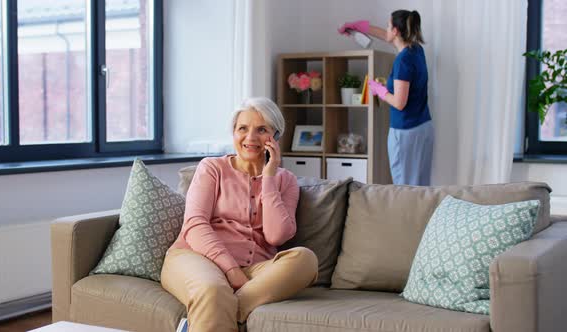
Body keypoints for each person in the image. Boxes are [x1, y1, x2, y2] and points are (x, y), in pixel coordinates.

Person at [161, 97, 318, 332]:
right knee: (213, 290)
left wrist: (269, 177)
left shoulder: (285, 180)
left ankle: (202, 319)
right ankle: (212, 310)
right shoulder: (212, 168)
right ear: (233, 132)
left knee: (305, 260)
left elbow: (277, 236)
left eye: (262, 129)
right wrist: (231, 271)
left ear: (275, 137)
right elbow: (195, 224)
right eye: (242, 128)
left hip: (256, 269)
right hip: (197, 258)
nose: (250, 138)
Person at [339, 10, 434, 186]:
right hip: (423, 127)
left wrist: (379, 90)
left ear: (396, 31)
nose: (386, 29)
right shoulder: (416, 50)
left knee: (404, 187)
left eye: (389, 26)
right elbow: (385, 35)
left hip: (405, 132)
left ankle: (407, 214)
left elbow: (399, 102)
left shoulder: (403, 61)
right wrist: (358, 26)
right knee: (421, 187)